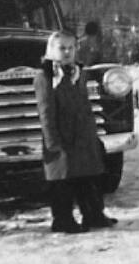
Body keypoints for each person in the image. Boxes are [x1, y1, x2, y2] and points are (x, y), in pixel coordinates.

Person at [34, 31, 117, 233]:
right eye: (62, 48)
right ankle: (63, 220)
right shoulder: (45, 76)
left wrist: (92, 134)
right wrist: (52, 141)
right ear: (51, 50)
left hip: (83, 136)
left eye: (71, 47)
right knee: (62, 181)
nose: (67, 52)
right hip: (62, 137)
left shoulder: (77, 72)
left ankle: (93, 215)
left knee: (89, 177)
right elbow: (46, 111)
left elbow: (85, 105)